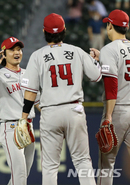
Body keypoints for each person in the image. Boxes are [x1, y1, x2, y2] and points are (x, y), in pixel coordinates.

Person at [20, 13, 102, 185]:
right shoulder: (76, 51)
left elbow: (30, 92)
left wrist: (23, 118)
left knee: (50, 166)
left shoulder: (37, 56)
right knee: (82, 161)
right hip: (74, 110)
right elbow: (96, 77)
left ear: (44, 32)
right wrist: (95, 61)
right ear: (64, 30)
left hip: (50, 112)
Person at [0, 36, 40, 185]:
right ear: (4, 54)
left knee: (21, 176)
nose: (17, 52)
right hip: (11, 127)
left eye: (19, 49)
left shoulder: (29, 74)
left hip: (28, 127)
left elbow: (38, 101)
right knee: (19, 174)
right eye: (12, 50)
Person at [90, 9, 130, 185]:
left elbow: (111, 87)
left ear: (109, 26)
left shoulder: (109, 49)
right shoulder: (108, 52)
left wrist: (108, 117)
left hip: (118, 111)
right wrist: (103, 59)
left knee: (107, 165)